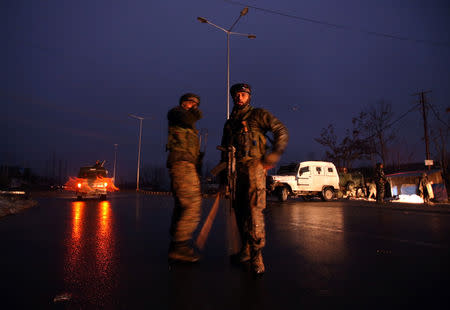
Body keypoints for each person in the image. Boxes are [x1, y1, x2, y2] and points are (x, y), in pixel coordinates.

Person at [220, 83, 289, 275]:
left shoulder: (258, 115)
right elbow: (224, 150)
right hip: (235, 171)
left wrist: (273, 155)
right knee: (240, 211)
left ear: (249, 96)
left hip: (254, 168)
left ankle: (257, 255)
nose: (239, 97)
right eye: (236, 95)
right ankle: (246, 249)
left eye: (243, 94)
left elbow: (281, 131)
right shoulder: (229, 123)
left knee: (254, 211)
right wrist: (223, 178)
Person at [166, 93, 203, 263]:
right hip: (180, 163)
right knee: (192, 204)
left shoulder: (190, 127)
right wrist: (193, 113)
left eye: (196, 104)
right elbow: (185, 118)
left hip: (187, 164)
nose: (194, 106)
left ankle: (177, 241)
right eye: (191, 103)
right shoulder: (176, 113)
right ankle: (180, 246)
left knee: (182, 205)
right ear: (183, 103)